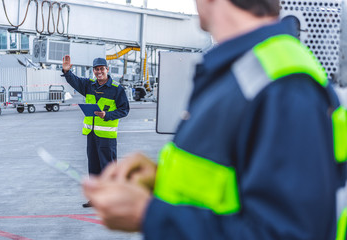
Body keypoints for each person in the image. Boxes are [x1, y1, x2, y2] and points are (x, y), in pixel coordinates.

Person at [83, 0, 347, 239]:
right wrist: (160, 180)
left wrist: (148, 214)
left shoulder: (283, 85)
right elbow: (238, 184)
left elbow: (286, 232)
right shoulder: (244, 70)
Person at [62, 55, 129, 208]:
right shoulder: (89, 85)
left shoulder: (117, 89)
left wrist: (108, 115)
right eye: (96, 69)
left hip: (107, 135)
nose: (99, 72)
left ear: (107, 69)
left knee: (108, 168)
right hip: (91, 134)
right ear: (93, 71)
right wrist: (67, 72)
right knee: (94, 167)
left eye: (102, 69)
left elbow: (124, 110)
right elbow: (75, 81)